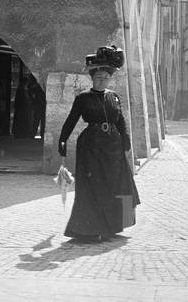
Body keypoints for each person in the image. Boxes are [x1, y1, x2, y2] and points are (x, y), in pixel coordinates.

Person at [57, 46, 140, 241]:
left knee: (113, 185)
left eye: (105, 77)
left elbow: (120, 121)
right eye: (98, 77)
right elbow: (71, 119)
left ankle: (111, 227)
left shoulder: (114, 97)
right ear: (92, 78)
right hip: (91, 147)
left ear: (110, 79)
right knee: (93, 187)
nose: (102, 80)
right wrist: (62, 138)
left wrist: (126, 139)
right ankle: (89, 230)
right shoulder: (83, 98)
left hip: (113, 147)